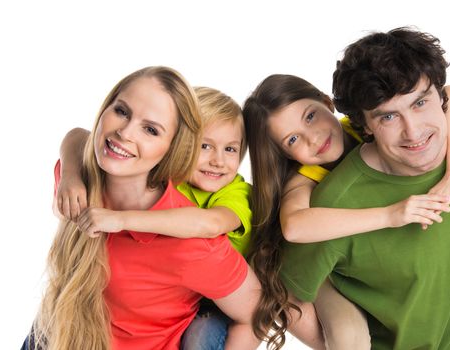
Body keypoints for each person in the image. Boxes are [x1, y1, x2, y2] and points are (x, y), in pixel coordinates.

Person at [27, 66, 278, 350]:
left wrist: (120, 220)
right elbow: (77, 138)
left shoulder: (192, 245)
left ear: (174, 148)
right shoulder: (79, 181)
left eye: (150, 129)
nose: (123, 133)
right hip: (54, 335)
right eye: (121, 111)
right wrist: (71, 175)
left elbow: (258, 312)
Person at [279, 27, 450, 348]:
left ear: (441, 95)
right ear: (365, 126)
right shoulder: (336, 204)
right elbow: (287, 294)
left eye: (420, 102)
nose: (414, 131)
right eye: (389, 117)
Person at [243, 73, 450, 348]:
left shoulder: (363, 126)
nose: (313, 138)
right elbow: (295, 226)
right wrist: (391, 214)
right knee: (348, 337)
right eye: (293, 140)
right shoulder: (304, 179)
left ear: (327, 102)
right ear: (284, 154)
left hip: (366, 258)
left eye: (310, 117)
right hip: (322, 271)